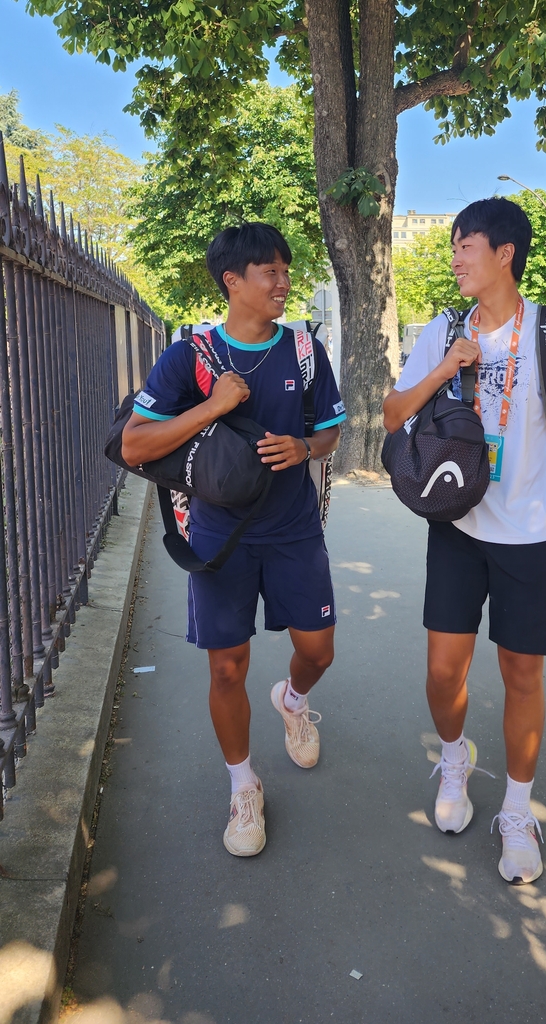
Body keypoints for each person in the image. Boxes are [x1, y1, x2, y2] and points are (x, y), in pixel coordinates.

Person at [382, 197, 546, 885]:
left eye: (464, 246)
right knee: (445, 671)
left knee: (521, 673)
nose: (454, 259)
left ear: (504, 253)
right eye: (452, 246)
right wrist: (449, 366)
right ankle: (455, 758)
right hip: (458, 526)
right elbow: (393, 414)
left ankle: (515, 809)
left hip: (533, 536)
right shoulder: (444, 330)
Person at [122, 223, 346, 856]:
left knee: (319, 650)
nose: (283, 282)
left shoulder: (303, 350)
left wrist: (306, 446)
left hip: (295, 528)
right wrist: (212, 407)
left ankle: (293, 700)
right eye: (269, 272)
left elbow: (330, 430)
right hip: (221, 535)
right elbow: (136, 443)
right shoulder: (189, 355)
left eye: (285, 270)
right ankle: (243, 787)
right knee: (227, 667)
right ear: (233, 281)